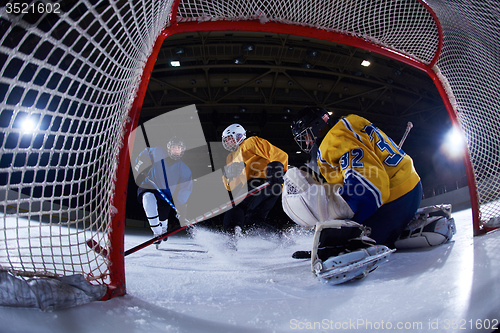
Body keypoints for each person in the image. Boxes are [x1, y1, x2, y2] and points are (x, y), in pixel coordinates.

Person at [282, 107, 455, 284]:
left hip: (392, 202)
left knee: (327, 221)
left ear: (317, 126)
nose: (306, 141)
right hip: (409, 190)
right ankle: (405, 228)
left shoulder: (334, 139)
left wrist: (343, 230)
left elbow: (371, 187)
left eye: (305, 135)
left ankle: (359, 243)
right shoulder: (350, 122)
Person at [220, 123, 289, 249]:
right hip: (266, 188)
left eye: (230, 138)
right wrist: (228, 176)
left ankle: (229, 240)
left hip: (264, 181)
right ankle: (283, 241)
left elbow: (279, 154)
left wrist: (276, 167)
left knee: (237, 206)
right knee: (253, 221)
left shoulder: (250, 142)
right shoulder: (230, 157)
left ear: (239, 135)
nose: (228, 142)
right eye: (226, 140)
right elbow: (230, 187)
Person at [135, 136, 193, 245]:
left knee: (163, 216)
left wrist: (180, 205)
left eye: (178, 148)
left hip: (165, 194)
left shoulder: (184, 168)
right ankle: (157, 233)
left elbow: (186, 188)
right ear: (169, 148)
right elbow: (145, 153)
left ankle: (163, 229)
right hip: (149, 184)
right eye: (173, 147)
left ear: (182, 150)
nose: (176, 150)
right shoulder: (158, 152)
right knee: (147, 198)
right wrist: (140, 163)